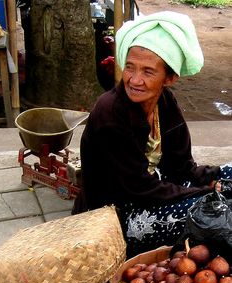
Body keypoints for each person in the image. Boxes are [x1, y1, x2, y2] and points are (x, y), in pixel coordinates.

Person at [73, 11, 232, 258]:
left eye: (148, 72)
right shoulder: (110, 114)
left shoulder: (165, 102)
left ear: (169, 78)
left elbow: (182, 167)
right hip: (118, 212)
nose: (135, 80)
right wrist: (205, 192)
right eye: (130, 68)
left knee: (229, 175)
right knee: (206, 209)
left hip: (156, 187)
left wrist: (213, 178)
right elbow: (139, 189)